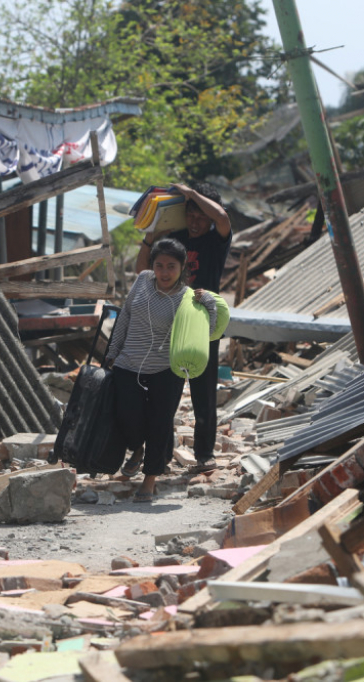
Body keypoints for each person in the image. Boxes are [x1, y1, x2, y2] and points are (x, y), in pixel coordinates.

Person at [106, 239, 217, 503]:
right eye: (159, 265)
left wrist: (210, 305)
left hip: (165, 370)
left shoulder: (189, 298)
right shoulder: (143, 280)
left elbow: (206, 333)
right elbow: (125, 316)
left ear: (182, 268)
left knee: (159, 424)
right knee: (126, 417)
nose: (164, 272)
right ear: (152, 266)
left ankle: (149, 480)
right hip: (128, 362)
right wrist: (112, 351)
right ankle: (137, 448)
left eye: (171, 266)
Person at [135, 182, 232, 473]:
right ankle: (161, 456)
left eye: (201, 215)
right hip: (168, 319)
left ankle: (204, 455)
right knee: (165, 391)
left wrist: (189, 193)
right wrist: (150, 237)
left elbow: (223, 218)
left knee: (204, 393)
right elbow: (143, 270)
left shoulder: (217, 239)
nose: (195, 220)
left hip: (203, 321)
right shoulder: (174, 240)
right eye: (190, 214)